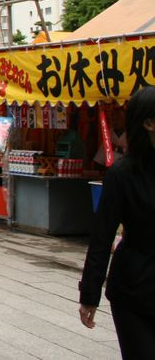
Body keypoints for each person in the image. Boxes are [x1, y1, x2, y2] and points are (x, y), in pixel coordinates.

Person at [79, 86, 155, 359]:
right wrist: (90, 293)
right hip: (134, 290)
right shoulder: (122, 175)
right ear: (148, 123)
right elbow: (102, 236)